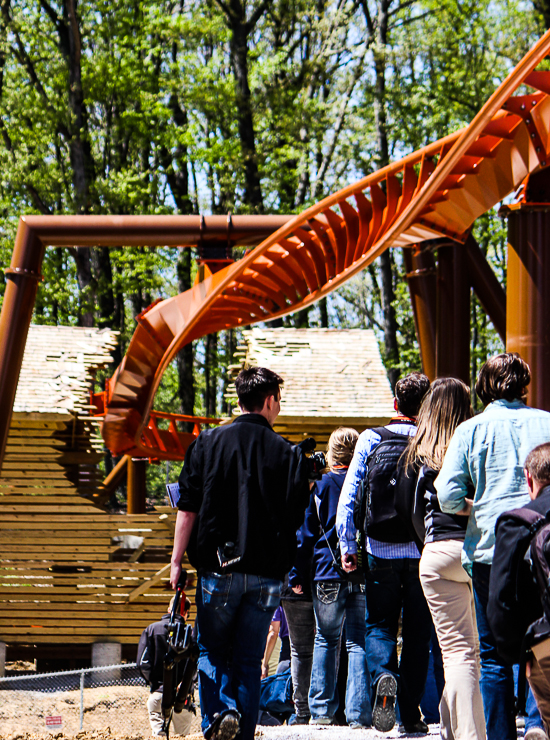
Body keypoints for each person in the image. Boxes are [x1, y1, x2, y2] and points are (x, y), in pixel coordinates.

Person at [169, 366, 310, 740]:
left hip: (217, 569)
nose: (279, 407)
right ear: (268, 401)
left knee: (212, 650)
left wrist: (176, 560)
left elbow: (187, 508)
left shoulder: (207, 442)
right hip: (266, 574)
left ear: (239, 400)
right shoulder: (288, 454)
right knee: (249, 660)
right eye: (279, 400)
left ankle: (218, 716)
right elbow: (297, 518)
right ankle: (242, 733)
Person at [436, 353, 550, 740]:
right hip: (544, 545)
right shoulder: (547, 422)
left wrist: (476, 507)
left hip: (491, 551)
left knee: (493, 655)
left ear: (484, 385)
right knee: (545, 642)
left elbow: (447, 495)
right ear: (523, 384)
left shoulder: (471, 429)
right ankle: (539, 725)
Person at [336, 372, 432, 734]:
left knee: (379, 625)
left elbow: (349, 498)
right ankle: (410, 714)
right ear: (425, 408)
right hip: (422, 550)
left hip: (378, 550)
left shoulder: (371, 439)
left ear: (395, 403)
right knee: (419, 633)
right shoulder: (432, 442)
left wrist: (348, 546)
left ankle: (382, 679)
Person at [401, 377, 485, 739]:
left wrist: (431, 543)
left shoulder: (417, 454)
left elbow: (410, 512)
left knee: (455, 652)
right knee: (474, 653)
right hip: (475, 551)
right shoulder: (475, 446)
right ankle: (471, 733)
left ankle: (453, 730)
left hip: (435, 553)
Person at [290, 427, 371, 727]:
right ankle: (359, 714)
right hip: (360, 569)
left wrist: (297, 573)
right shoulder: (363, 484)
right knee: (358, 641)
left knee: (325, 638)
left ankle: (322, 712)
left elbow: (306, 533)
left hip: (325, 571)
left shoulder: (320, 485)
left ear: (332, 451)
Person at [489, 442, 550, 740]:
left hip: (545, 645)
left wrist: (517, 653)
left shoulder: (517, 522)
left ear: (529, 479)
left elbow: (501, 602)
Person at [137, 596, 194, 737]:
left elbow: (142, 663)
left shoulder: (151, 630)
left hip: (159, 694)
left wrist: (155, 682)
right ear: (186, 613)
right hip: (183, 697)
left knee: (159, 736)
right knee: (182, 737)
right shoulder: (191, 634)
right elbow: (197, 665)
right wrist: (185, 684)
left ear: (169, 609)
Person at [261, 605, 291, 678]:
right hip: (311, 646)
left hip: (287, 650)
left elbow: (273, 633)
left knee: (280, 683)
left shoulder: (280, 598)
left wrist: (264, 665)